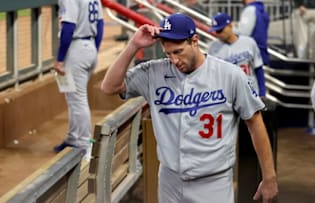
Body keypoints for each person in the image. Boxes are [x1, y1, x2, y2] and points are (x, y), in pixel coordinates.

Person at [101, 13, 278, 203]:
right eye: (168, 54)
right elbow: (109, 87)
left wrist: (269, 177)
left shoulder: (229, 75)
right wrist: (133, 46)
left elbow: (255, 123)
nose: (174, 60)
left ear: (195, 41)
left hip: (213, 182)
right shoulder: (155, 72)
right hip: (170, 179)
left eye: (178, 52)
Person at [53, 0, 104, 155]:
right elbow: (100, 25)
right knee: (73, 98)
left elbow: (68, 27)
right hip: (88, 47)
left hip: (75, 50)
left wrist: (60, 59)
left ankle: (84, 144)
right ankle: (73, 138)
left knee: (78, 99)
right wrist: (92, 50)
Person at [208, 12, 266, 98]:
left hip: (251, 94)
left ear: (230, 26)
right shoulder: (213, 48)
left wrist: (262, 91)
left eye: (220, 30)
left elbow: (258, 68)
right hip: (228, 97)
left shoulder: (249, 42)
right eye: (216, 31)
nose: (218, 34)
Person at [234, 0, 270, 65]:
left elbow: (244, 32)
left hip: (251, 54)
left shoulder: (250, 10)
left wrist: (229, 29)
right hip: (261, 52)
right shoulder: (262, 10)